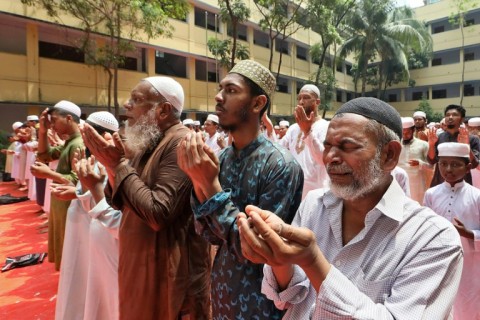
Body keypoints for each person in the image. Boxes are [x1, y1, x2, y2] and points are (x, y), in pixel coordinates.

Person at [237, 97, 463, 319]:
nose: (331, 158)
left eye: (347, 147)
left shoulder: (433, 239)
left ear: (389, 155)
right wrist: (279, 259)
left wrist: (313, 262)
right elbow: (289, 297)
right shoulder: (315, 205)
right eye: (328, 146)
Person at [177, 59, 304, 319]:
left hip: (262, 303)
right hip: (224, 292)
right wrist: (197, 180)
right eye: (221, 89)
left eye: (231, 91)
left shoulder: (280, 165)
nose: (219, 98)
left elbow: (258, 248)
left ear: (258, 103)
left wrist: (210, 186)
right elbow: (208, 234)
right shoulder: (221, 159)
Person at [81, 76, 211, 320]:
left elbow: (158, 212)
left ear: (163, 110)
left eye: (137, 99)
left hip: (168, 278)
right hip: (141, 268)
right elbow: (119, 200)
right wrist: (111, 167)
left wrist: (117, 164)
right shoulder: (149, 140)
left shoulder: (179, 143)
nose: (127, 105)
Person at [53, 111, 119, 320]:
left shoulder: (113, 164)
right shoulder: (90, 159)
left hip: (105, 236)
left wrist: (85, 189)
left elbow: (109, 204)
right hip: (86, 231)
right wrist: (79, 188)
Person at [423, 142, 480, 320]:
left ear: (468, 166)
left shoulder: (477, 196)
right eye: (443, 163)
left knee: (467, 302)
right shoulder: (431, 194)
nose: (448, 169)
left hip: (470, 263)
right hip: (438, 259)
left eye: (455, 164)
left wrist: (469, 234)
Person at [32, 100, 84, 271]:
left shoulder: (78, 144)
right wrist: (42, 131)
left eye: (54, 121)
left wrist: (49, 174)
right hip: (62, 205)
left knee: (73, 257)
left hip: (71, 207)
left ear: (69, 118)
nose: (52, 125)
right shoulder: (70, 142)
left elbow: (79, 181)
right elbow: (45, 155)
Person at [280, 84, 329, 198]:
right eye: (299, 98)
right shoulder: (293, 128)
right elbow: (278, 149)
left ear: (317, 102)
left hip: (316, 193)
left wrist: (307, 132)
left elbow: (323, 159)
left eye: (306, 97)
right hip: (292, 190)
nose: (301, 102)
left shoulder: (326, 127)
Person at [427, 104, 480, 187]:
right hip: (440, 183)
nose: (450, 117)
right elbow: (432, 161)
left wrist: (466, 146)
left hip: (462, 184)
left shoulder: (472, 139)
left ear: (462, 119)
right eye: (447, 115)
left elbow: (474, 164)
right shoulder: (439, 137)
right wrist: (431, 145)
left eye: (454, 115)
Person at [398, 117, 430, 202]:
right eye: (403, 133)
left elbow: (431, 166)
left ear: (413, 130)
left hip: (417, 184)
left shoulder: (423, 145)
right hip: (399, 181)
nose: (405, 135)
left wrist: (420, 163)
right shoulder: (396, 144)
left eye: (407, 132)